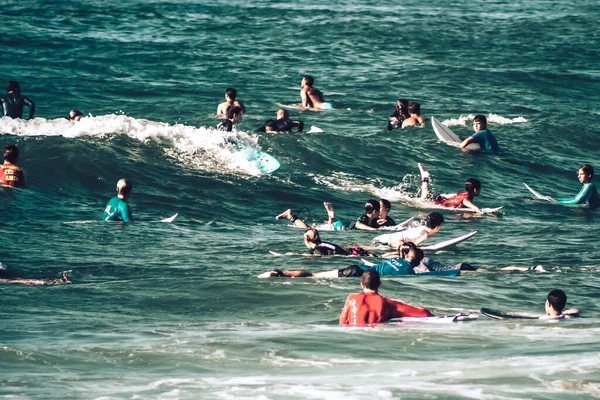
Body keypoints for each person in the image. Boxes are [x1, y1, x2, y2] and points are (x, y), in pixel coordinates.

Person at [339, 269, 433, 325]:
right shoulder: (387, 303)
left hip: (352, 336)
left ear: (362, 285)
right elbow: (424, 314)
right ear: (379, 284)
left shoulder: (351, 299)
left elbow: (342, 323)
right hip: (375, 337)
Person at [419, 164, 483, 213]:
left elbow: (457, 196)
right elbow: (465, 201)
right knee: (424, 199)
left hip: (443, 199)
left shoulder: (465, 194)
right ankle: (425, 177)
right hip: (441, 202)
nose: (480, 190)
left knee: (425, 198)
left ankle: (425, 178)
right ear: (475, 189)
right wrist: (476, 209)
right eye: (479, 188)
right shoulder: (467, 196)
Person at [373, 211, 444, 249]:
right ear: (437, 227)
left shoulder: (422, 230)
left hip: (381, 240)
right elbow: (398, 241)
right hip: (381, 242)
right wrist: (411, 250)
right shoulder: (421, 233)